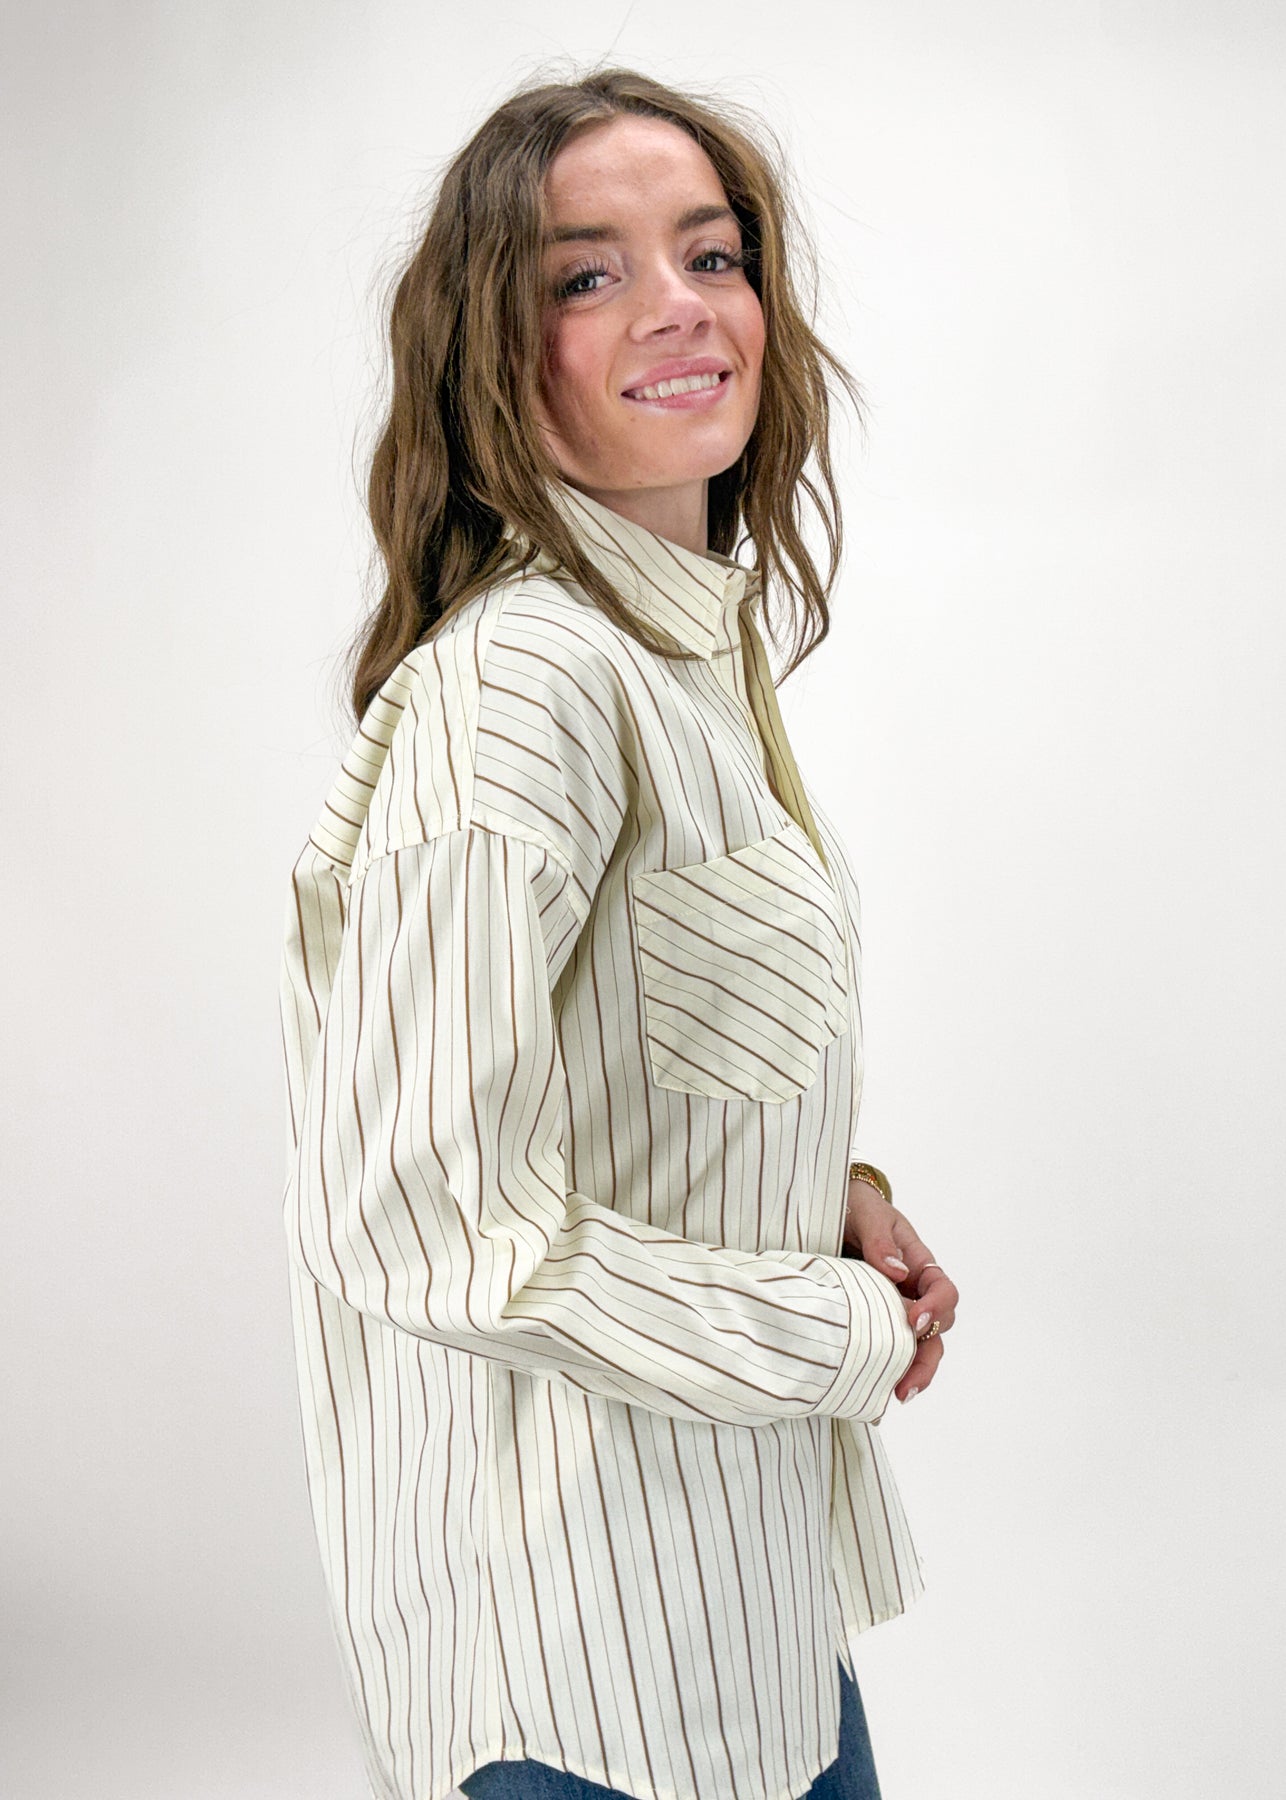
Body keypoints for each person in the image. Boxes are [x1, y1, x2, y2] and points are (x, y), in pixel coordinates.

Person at [278, 65, 958, 1800]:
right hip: (585, 1671)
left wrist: (825, 1193)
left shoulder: (678, 658)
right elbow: (429, 1223)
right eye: (587, 275)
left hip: (753, 1619)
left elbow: (627, 1056)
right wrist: (833, 1331)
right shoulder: (523, 685)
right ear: (491, 355)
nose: (676, 306)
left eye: (710, 255)